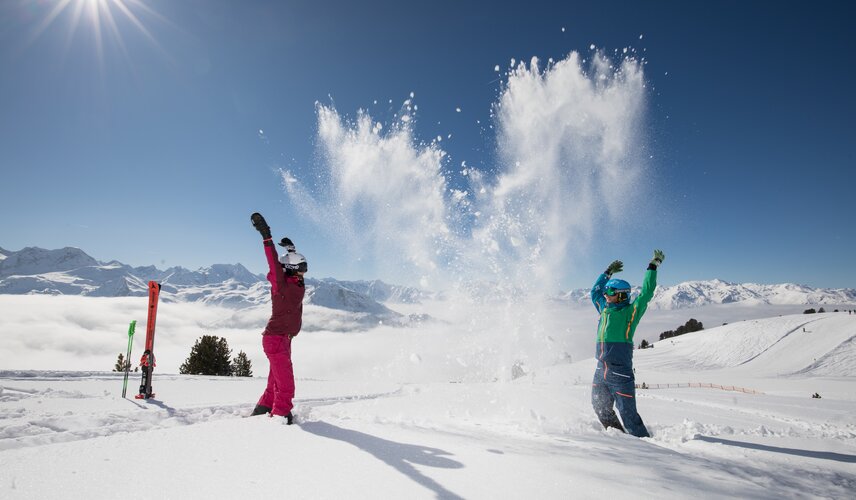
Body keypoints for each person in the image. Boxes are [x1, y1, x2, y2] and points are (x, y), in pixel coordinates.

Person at [589, 249, 664, 438]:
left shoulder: (630, 313)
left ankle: (646, 447)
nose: (606, 294)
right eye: (607, 291)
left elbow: (646, 293)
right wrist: (607, 273)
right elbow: (594, 292)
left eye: (611, 291)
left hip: (620, 373)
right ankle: (619, 440)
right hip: (601, 370)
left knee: (629, 416)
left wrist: (652, 266)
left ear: (622, 295)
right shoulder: (604, 308)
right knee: (600, 408)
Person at [250, 212, 308, 424]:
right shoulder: (280, 284)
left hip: (284, 338)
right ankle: (281, 416)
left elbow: (287, 266)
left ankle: (263, 408)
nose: (303, 275)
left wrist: (292, 251)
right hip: (275, 338)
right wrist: (266, 237)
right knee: (286, 385)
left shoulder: (295, 283)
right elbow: (274, 263)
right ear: (291, 271)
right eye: (301, 271)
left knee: (275, 380)